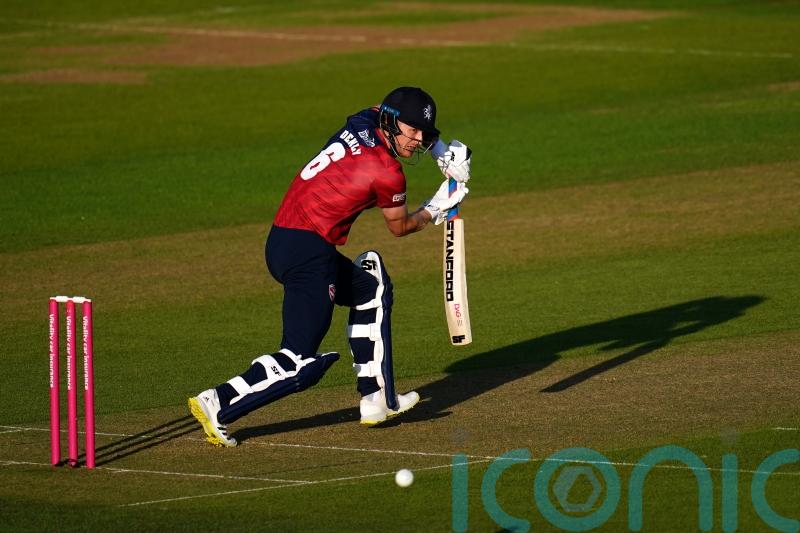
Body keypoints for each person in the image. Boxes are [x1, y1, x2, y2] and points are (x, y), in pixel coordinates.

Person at [188, 86, 472, 447]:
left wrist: (442, 151)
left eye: (424, 135)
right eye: (412, 131)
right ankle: (218, 402)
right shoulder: (388, 172)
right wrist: (437, 207)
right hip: (307, 252)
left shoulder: (363, 120)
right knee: (299, 363)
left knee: (371, 288)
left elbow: (382, 110)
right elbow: (399, 227)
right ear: (390, 120)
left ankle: (377, 399)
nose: (418, 140)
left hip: (284, 238)